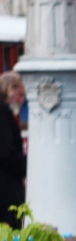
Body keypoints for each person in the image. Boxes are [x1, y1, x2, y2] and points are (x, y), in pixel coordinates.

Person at [0, 72, 25, 227]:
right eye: (20, 94)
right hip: (6, 189)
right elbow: (6, 153)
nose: (22, 100)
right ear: (10, 89)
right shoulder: (2, 111)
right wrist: (31, 164)